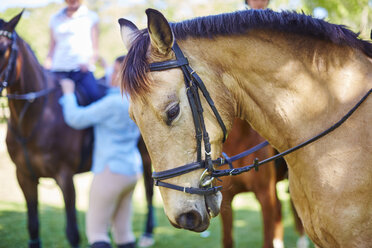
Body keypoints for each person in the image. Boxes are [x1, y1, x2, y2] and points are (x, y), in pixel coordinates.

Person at [59, 55, 142, 248]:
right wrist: (106, 68)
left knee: (96, 232)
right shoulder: (137, 100)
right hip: (131, 170)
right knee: (123, 231)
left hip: (109, 172)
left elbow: (76, 118)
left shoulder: (112, 104)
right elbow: (114, 87)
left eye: (114, 72)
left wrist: (69, 93)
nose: (110, 75)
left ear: (123, 76)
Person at [45, 0, 102, 104]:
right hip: (58, 69)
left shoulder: (91, 16)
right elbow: (52, 47)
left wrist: (89, 63)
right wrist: (47, 64)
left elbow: (95, 49)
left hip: (82, 70)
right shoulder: (55, 18)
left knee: (95, 97)